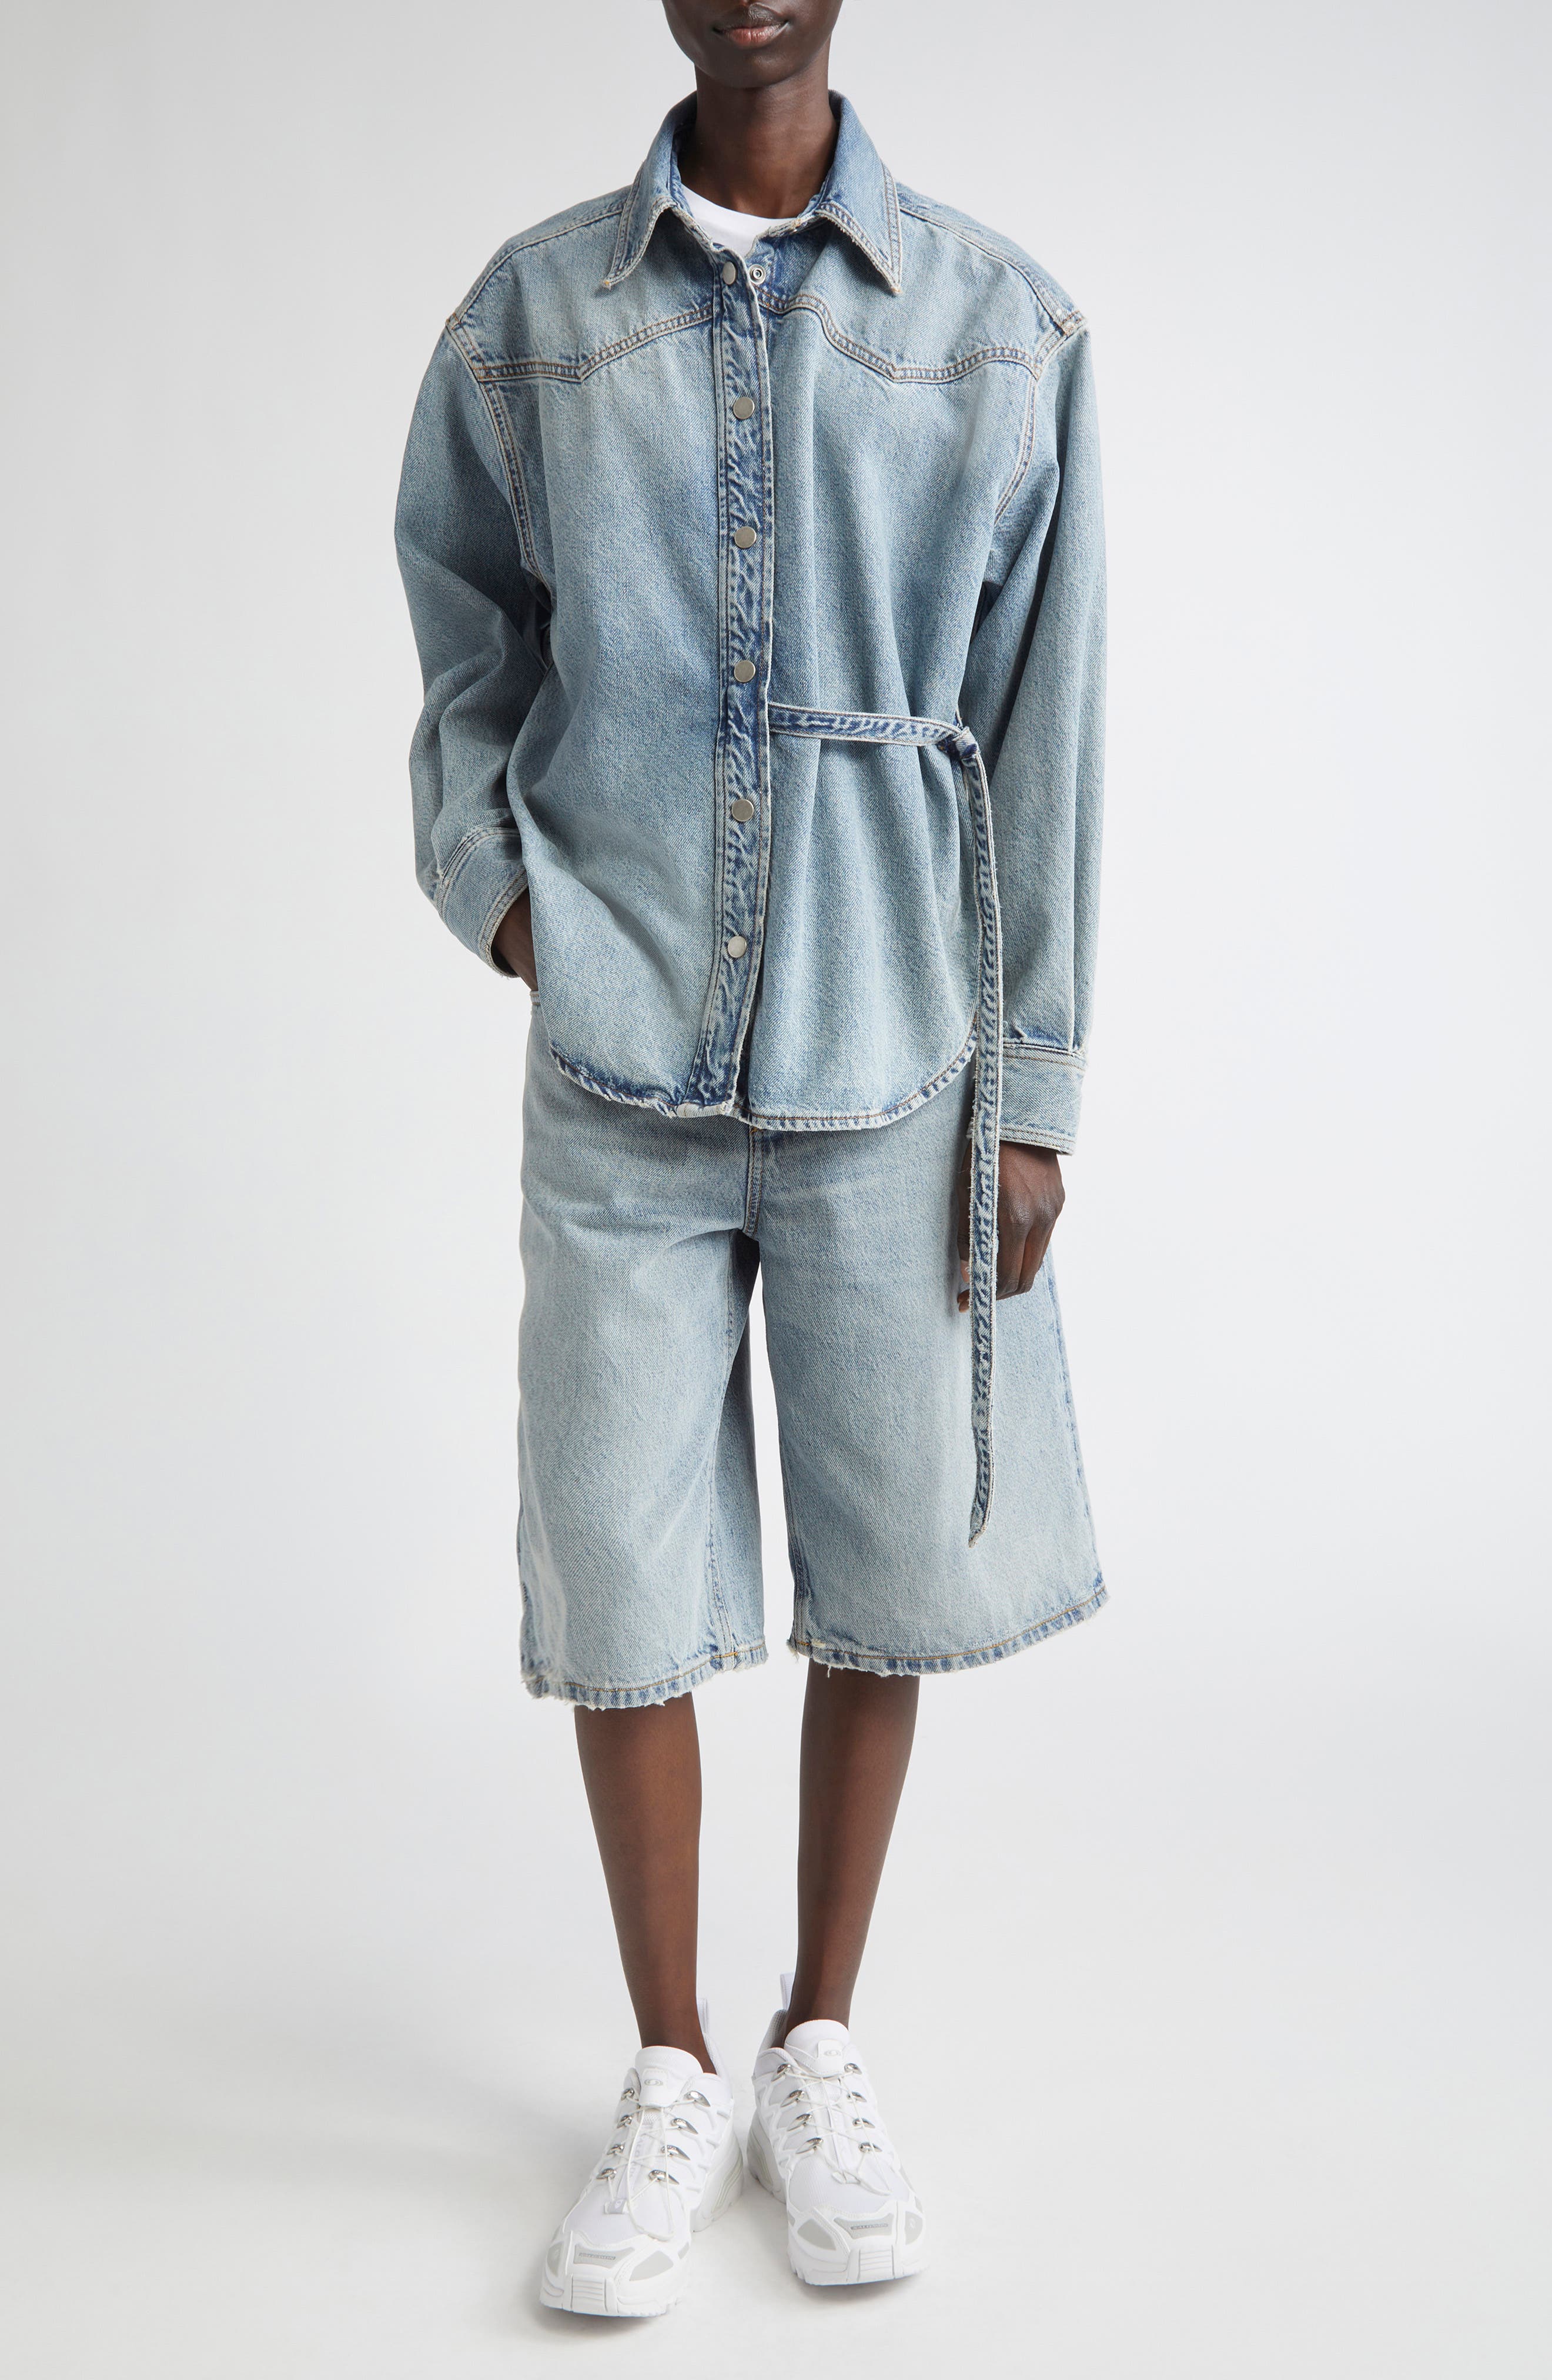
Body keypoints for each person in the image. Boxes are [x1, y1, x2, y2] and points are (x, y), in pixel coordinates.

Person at [395, 0, 1105, 2318]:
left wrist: (1032, 1087)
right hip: (621, 1061)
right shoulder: (531, 319)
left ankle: (820, 2035)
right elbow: (464, 639)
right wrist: (509, 895)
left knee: (886, 1562)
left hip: (898, 1043)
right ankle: (672, 2064)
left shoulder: (1001, 327)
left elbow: (1046, 722)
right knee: (621, 1566)